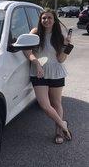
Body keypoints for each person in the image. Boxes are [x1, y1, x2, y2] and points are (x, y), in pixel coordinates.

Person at [24, 9, 73, 144]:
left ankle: (59, 132)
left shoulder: (60, 36)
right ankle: (63, 125)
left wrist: (66, 45)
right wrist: (36, 62)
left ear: (54, 20)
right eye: (44, 18)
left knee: (56, 103)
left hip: (56, 72)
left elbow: (61, 59)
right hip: (38, 72)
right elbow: (27, 50)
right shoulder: (35, 33)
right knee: (45, 105)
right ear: (40, 20)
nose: (46, 20)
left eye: (49, 18)